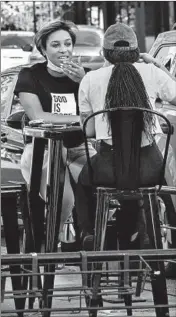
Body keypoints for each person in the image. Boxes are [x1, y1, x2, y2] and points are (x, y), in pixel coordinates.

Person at [76, 22, 176, 247]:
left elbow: (89, 130)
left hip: (106, 169)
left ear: (104, 53)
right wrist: (157, 64)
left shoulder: (90, 79)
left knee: (82, 183)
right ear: (136, 51)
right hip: (149, 168)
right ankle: (156, 241)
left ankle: (89, 232)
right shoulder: (151, 72)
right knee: (163, 181)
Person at [14, 20, 96, 241]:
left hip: (79, 147)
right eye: (56, 45)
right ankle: (53, 239)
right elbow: (38, 117)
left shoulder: (86, 76)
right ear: (43, 49)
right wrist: (81, 119)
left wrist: (84, 81)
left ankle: (91, 240)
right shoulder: (30, 75)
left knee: (101, 183)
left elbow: (101, 113)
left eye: (67, 44)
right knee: (63, 197)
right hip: (43, 148)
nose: (63, 50)